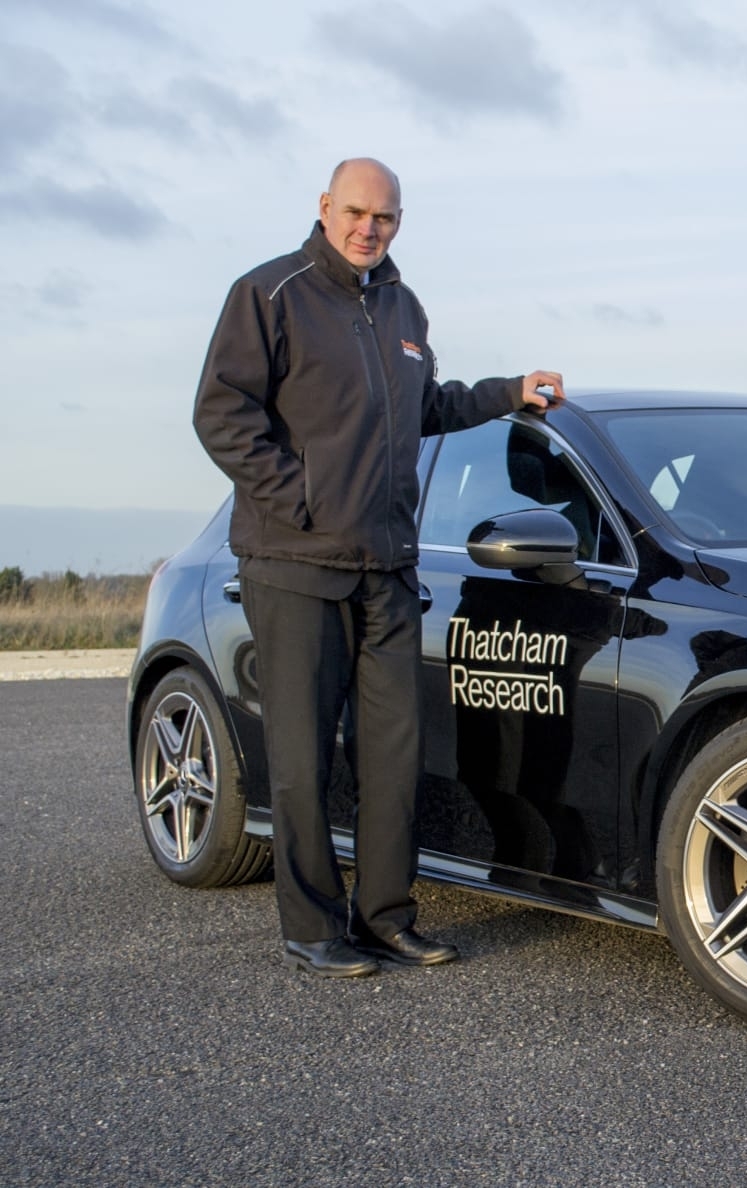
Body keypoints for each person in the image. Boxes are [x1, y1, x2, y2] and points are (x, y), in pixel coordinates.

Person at [192, 158, 567, 976]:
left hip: (388, 572)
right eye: (357, 212)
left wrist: (511, 391)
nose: (371, 228)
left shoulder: (402, 306)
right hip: (296, 566)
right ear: (325, 208)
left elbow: (425, 407)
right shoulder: (272, 294)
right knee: (301, 760)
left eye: (386, 217)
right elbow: (221, 414)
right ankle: (315, 928)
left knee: (394, 757)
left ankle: (388, 917)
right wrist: (300, 499)